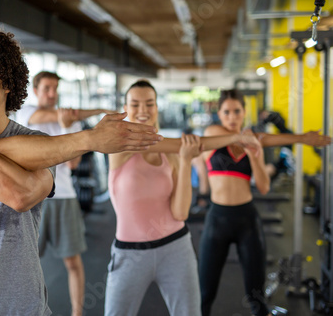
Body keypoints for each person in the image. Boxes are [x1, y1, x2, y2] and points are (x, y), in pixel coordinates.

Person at [0, 26, 163, 315]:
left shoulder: (38, 143)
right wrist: (87, 139)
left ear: (8, 83)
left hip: (25, 306)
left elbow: (19, 195)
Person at [104, 80, 264, 316]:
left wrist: (187, 158)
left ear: (157, 107)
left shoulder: (174, 155)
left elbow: (180, 213)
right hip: (130, 253)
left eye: (149, 103)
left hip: (176, 248)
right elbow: (189, 144)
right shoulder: (119, 149)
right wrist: (236, 137)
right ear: (125, 108)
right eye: (135, 104)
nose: (143, 110)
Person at [198, 89, 331, 316]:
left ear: (244, 112)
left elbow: (263, 187)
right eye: (227, 112)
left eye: (237, 111)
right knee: (204, 295)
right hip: (217, 220)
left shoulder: (253, 144)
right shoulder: (211, 136)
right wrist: (297, 138)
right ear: (219, 114)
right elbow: (257, 138)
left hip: (246, 220)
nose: (232, 117)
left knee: (257, 297)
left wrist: (255, 153)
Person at [16, 71, 115, 316]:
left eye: (55, 88)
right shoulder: (27, 113)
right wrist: (100, 109)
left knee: (73, 262)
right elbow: (48, 115)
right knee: (25, 264)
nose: (52, 94)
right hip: (33, 198)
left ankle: (77, 313)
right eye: (47, 88)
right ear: (36, 90)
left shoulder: (70, 121)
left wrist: (66, 126)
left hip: (64, 196)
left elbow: (72, 164)